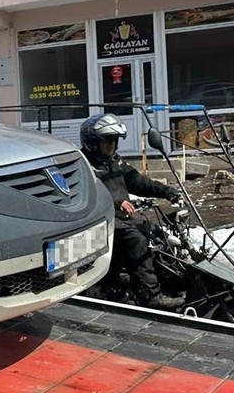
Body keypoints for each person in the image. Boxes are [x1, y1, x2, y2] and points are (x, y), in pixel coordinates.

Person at [80, 113, 186, 311]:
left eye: (114, 140)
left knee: (156, 234)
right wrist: (115, 202)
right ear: (93, 142)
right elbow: (85, 194)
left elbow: (137, 181)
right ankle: (149, 295)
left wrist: (167, 191)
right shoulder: (85, 166)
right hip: (100, 221)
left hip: (121, 218)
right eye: (107, 140)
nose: (112, 144)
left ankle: (168, 282)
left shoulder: (114, 161)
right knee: (135, 240)